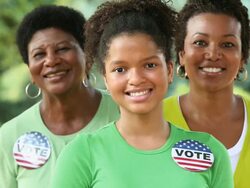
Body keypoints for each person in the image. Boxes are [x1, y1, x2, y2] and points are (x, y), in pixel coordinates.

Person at [51, 0, 233, 187]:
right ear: (106, 78)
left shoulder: (210, 151)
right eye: (120, 69)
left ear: (169, 70)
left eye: (149, 65)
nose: (136, 79)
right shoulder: (82, 153)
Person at [0, 5, 120, 188]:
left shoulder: (125, 114)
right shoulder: (10, 135)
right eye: (39, 54)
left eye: (63, 49)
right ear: (30, 70)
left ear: (87, 56)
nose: (51, 60)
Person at [163, 0, 250, 187]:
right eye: (200, 42)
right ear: (181, 55)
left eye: (227, 44)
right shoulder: (153, 119)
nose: (213, 54)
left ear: (242, 58)